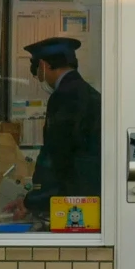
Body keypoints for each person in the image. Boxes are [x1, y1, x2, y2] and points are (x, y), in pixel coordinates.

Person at [22, 35, 100, 228]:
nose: (38, 75)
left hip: (72, 192)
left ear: (42, 65)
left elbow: (56, 152)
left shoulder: (64, 96)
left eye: (36, 70)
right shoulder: (88, 92)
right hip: (90, 189)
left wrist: (34, 199)